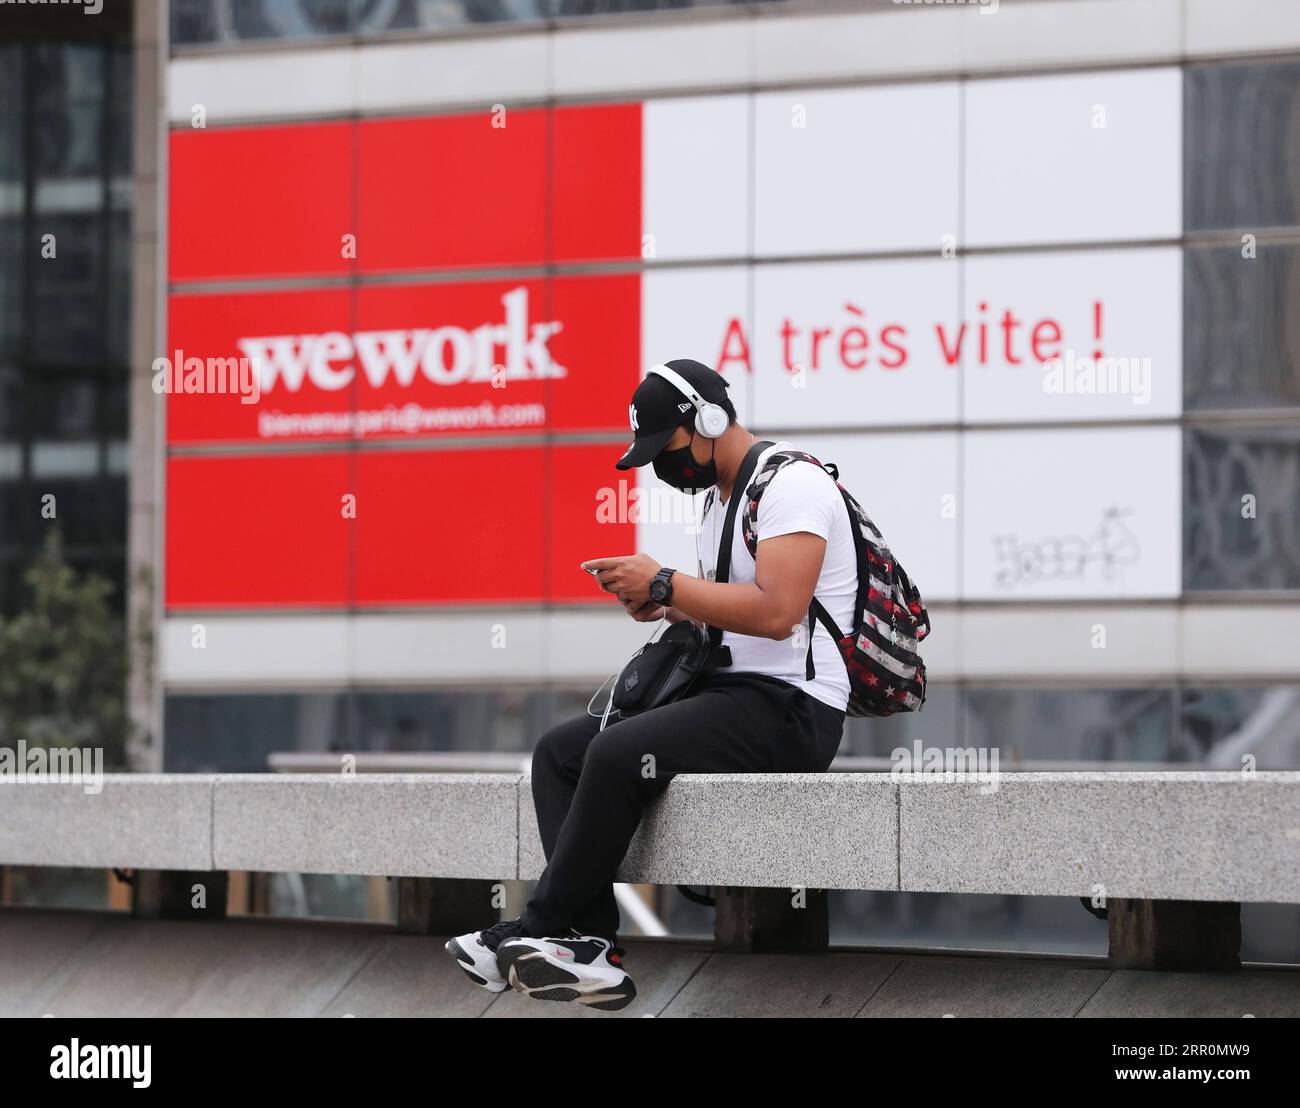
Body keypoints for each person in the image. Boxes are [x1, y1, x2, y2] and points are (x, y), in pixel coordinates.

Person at [446, 358, 856, 1010]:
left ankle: (543, 927)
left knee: (613, 755)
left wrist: (666, 581)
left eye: (667, 450)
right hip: (734, 694)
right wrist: (666, 607)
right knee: (559, 752)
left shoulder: (793, 486)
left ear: (711, 420)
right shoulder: (721, 501)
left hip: (792, 708)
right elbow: (731, 612)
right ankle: (588, 945)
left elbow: (779, 613)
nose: (666, 468)